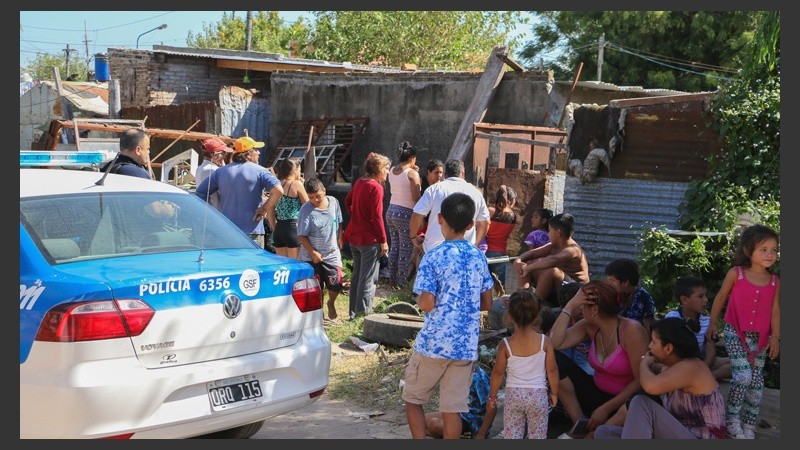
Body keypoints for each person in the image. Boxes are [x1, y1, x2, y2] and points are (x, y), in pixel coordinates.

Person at [403, 192, 494, 439]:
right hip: (464, 346)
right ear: (470, 225)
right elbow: (487, 301)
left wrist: (422, 299)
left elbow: (427, 304)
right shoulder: (478, 257)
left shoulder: (433, 256)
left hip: (434, 344)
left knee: (412, 398)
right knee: (452, 409)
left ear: (440, 218)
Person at [594, 317, 727, 439]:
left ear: (668, 348)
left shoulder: (692, 367)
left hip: (702, 438)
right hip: (681, 434)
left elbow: (650, 386)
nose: (650, 346)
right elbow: (660, 370)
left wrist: (644, 363)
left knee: (641, 402)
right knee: (603, 432)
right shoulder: (676, 367)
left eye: (653, 342)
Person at [548, 279, 649, 438]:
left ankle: (596, 432)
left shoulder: (631, 330)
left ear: (594, 310)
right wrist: (569, 306)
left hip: (624, 403)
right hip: (596, 396)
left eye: (582, 306)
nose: (580, 309)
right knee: (552, 358)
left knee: (638, 400)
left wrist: (606, 408)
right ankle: (580, 424)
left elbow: (641, 380)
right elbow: (554, 343)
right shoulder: (588, 326)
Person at [706, 224, 780, 439]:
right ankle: (732, 420)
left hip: (762, 339)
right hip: (735, 333)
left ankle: (749, 424)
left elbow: (775, 311)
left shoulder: (775, 281)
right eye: (763, 249)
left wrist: (775, 337)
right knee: (743, 376)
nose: (770, 254)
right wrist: (712, 324)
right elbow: (720, 298)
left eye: (774, 250)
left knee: (757, 383)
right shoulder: (736, 274)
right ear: (748, 251)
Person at [486, 289, 559, 439]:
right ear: (537, 315)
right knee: (537, 436)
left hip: (514, 396)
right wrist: (554, 393)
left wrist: (492, 398)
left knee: (512, 435)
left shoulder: (505, 344)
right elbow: (552, 370)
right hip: (538, 396)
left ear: (509, 316)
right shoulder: (545, 342)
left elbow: (497, 373)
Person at [195, 136, 283, 248]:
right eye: (256, 149)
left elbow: (200, 193)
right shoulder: (260, 171)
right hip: (252, 230)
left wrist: (213, 216)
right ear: (249, 154)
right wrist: (264, 208)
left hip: (228, 231)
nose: (259, 153)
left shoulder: (221, 172)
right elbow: (278, 190)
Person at [343, 152, 391, 319]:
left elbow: (347, 201)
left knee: (357, 277)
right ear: (378, 169)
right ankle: (363, 316)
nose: (388, 172)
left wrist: (356, 216)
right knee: (368, 280)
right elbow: (377, 217)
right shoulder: (376, 187)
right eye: (386, 168)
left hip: (355, 237)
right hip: (369, 240)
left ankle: (353, 313)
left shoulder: (359, 182)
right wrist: (383, 241)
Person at [408, 159, 490, 255]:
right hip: (464, 253)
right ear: (463, 173)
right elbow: (485, 222)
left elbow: (417, 214)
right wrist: (475, 245)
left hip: (434, 250)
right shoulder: (475, 192)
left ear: (445, 174)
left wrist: (413, 237)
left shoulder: (434, 189)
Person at [513, 213, 590, 307]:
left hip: (575, 290)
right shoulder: (554, 245)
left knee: (552, 271)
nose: (548, 234)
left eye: (550, 230)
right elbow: (532, 253)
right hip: (558, 288)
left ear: (558, 233)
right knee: (525, 263)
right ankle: (522, 298)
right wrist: (518, 261)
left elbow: (553, 260)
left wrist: (528, 268)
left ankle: (533, 305)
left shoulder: (573, 250)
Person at [665, 276, 731, 380]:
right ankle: (702, 377)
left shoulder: (708, 321)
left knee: (737, 365)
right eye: (700, 296)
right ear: (684, 300)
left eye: (705, 295)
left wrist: (703, 367)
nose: (706, 300)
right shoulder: (672, 318)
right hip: (678, 363)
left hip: (702, 361)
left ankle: (701, 377)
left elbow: (711, 349)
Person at [298, 177, 344, 321]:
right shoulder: (306, 210)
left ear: (324, 191)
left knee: (336, 283)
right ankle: (319, 313)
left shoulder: (334, 202)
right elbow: (301, 236)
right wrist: (313, 253)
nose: (315, 200)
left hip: (331, 253)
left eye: (318, 196)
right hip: (311, 255)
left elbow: (339, 221)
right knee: (316, 287)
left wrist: (339, 237)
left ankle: (331, 302)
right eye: (311, 197)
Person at [424, 364, 496, 439]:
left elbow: (492, 408)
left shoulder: (479, 378)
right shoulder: (457, 372)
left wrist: (481, 434)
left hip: (473, 423)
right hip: (460, 413)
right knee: (422, 420)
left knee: (433, 424)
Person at [386, 141, 422, 290]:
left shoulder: (392, 170)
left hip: (391, 210)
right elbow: (416, 197)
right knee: (405, 248)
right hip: (406, 212)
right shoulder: (413, 174)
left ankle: (392, 279)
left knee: (394, 246)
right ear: (412, 157)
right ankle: (402, 282)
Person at [267, 158, 308, 259]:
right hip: (293, 228)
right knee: (295, 267)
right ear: (295, 170)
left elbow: (269, 209)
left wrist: (274, 228)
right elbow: (307, 206)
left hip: (279, 229)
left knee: (283, 267)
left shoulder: (277, 185)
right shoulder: (296, 184)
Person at [604, 258, 656, 334]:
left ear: (625, 282)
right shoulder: (617, 294)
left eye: (612, 281)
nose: (608, 283)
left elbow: (647, 325)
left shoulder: (641, 296)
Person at [483, 185, 518, 287]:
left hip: (484, 251)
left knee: (482, 285)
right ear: (511, 201)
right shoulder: (513, 216)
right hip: (500, 254)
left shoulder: (490, 211)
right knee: (499, 286)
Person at [194, 137, 232, 211]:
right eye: (223, 153)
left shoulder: (199, 169)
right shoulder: (213, 170)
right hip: (215, 211)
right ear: (215, 154)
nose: (224, 156)